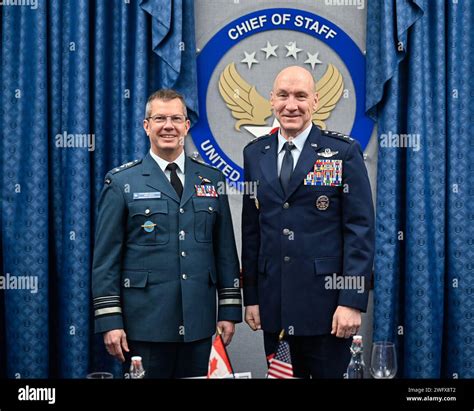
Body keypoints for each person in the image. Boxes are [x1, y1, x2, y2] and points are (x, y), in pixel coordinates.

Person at [92, 89, 242, 378]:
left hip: (198, 325)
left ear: (187, 126)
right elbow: (105, 260)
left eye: (176, 118)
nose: (168, 126)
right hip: (144, 327)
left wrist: (229, 311)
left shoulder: (211, 179)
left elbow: (224, 251)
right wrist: (110, 320)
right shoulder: (122, 181)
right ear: (146, 126)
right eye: (159, 118)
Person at [241, 66, 374, 378]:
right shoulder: (254, 153)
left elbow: (360, 230)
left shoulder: (343, 152)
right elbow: (251, 231)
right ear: (271, 100)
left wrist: (352, 301)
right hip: (275, 307)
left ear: (315, 101)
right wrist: (253, 298)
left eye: (301, 96)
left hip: (328, 309)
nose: (291, 105)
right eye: (283, 96)